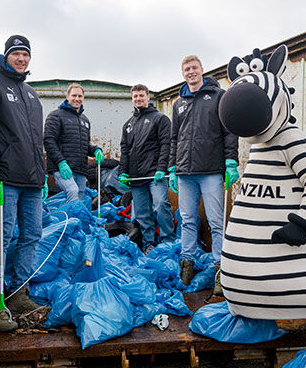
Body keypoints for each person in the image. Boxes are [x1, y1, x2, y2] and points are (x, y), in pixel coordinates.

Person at [0, 34, 48, 332]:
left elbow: (35, 141)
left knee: (32, 235)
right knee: (2, 238)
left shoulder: (31, 94)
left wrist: (42, 175)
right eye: (16, 54)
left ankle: (19, 293)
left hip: (32, 180)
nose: (21, 59)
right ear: (5, 56)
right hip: (6, 179)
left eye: (25, 55)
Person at [169, 55, 238, 291]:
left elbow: (229, 130)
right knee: (187, 220)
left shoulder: (219, 96)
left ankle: (221, 270)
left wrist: (231, 161)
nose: (190, 72)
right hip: (185, 172)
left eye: (194, 68)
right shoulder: (179, 103)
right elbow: (174, 138)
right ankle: (186, 265)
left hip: (210, 170)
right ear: (183, 73)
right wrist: (171, 167)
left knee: (217, 222)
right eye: (186, 69)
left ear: (201, 70)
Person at [117, 84, 175, 254]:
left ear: (148, 97)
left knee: (160, 205)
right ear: (132, 99)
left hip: (155, 175)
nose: (138, 99)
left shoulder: (160, 119)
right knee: (142, 213)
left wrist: (162, 168)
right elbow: (125, 151)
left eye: (141, 96)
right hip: (136, 177)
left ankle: (168, 242)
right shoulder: (128, 124)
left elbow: (167, 145)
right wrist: (122, 172)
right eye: (135, 96)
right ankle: (148, 243)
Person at [44, 83, 103, 204]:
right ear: (67, 96)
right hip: (62, 167)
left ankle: (72, 221)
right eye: (74, 95)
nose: (77, 99)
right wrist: (61, 162)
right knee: (72, 191)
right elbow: (49, 141)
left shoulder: (84, 120)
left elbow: (84, 146)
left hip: (80, 169)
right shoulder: (55, 115)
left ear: (83, 98)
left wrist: (96, 150)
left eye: (80, 96)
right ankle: (69, 222)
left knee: (79, 198)